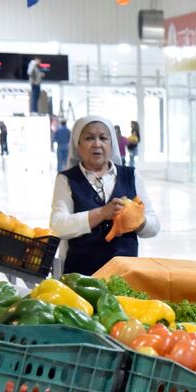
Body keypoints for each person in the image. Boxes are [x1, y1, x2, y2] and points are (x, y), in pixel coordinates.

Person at [50, 115, 160, 275]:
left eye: (103, 138)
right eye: (89, 138)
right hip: (81, 279)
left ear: (112, 144)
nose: (97, 144)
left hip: (125, 277)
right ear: (77, 145)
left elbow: (154, 226)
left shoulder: (131, 176)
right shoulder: (67, 179)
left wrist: (137, 220)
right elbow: (58, 225)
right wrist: (101, 213)